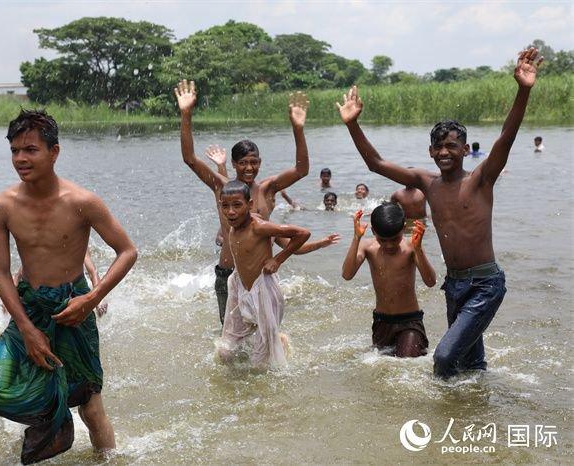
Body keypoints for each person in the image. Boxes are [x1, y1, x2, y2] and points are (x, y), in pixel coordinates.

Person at [336, 47, 542, 378]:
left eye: (452, 146)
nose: (445, 152)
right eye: (439, 147)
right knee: (469, 366)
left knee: (444, 358)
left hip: (486, 283)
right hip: (455, 285)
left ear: (465, 149)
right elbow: (375, 164)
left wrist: (523, 90)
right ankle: (473, 413)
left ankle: (450, 411)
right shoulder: (426, 183)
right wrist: (353, 125)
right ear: (431, 151)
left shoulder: (480, 180)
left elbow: (507, 136)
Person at [0, 109, 137, 464]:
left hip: (73, 306)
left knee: (92, 408)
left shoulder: (82, 202)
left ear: (54, 152)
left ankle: (109, 459)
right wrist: (26, 327)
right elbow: (1, 273)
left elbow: (127, 251)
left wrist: (92, 298)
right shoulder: (2, 205)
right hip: (29, 306)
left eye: (30, 150)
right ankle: (55, 422)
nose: (20, 158)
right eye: (15, 150)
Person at [176, 81, 337, 325]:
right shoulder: (222, 186)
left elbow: (302, 169)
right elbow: (189, 159)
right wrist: (186, 114)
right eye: (242, 163)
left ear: (260, 162)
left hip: (260, 275)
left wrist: (298, 129)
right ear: (233, 164)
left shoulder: (268, 189)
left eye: (253, 162)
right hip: (228, 273)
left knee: (264, 336)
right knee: (230, 339)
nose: (248, 168)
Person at [217, 180, 310, 369]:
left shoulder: (258, 226)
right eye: (225, 206)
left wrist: (278, 259)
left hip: (264, 289)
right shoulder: (233, 225)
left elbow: (302, 233)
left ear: (250, 205)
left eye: (237, 205)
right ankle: (273, 337)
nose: (231, 212)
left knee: (261, 364)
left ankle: (278, 341)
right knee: (225, 351)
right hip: (241, 286)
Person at [342, 204, 436, 357]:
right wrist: (356, 238)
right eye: (383, 240)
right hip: (382, 322)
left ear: (404, 228)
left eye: (395, 239)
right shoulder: (367, 247)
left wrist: (419, 249)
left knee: (407, 366)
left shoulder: (412, 247)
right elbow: (347, 274)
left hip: (410, 322)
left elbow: (430, 281)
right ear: (373, 232)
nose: (389, 244)